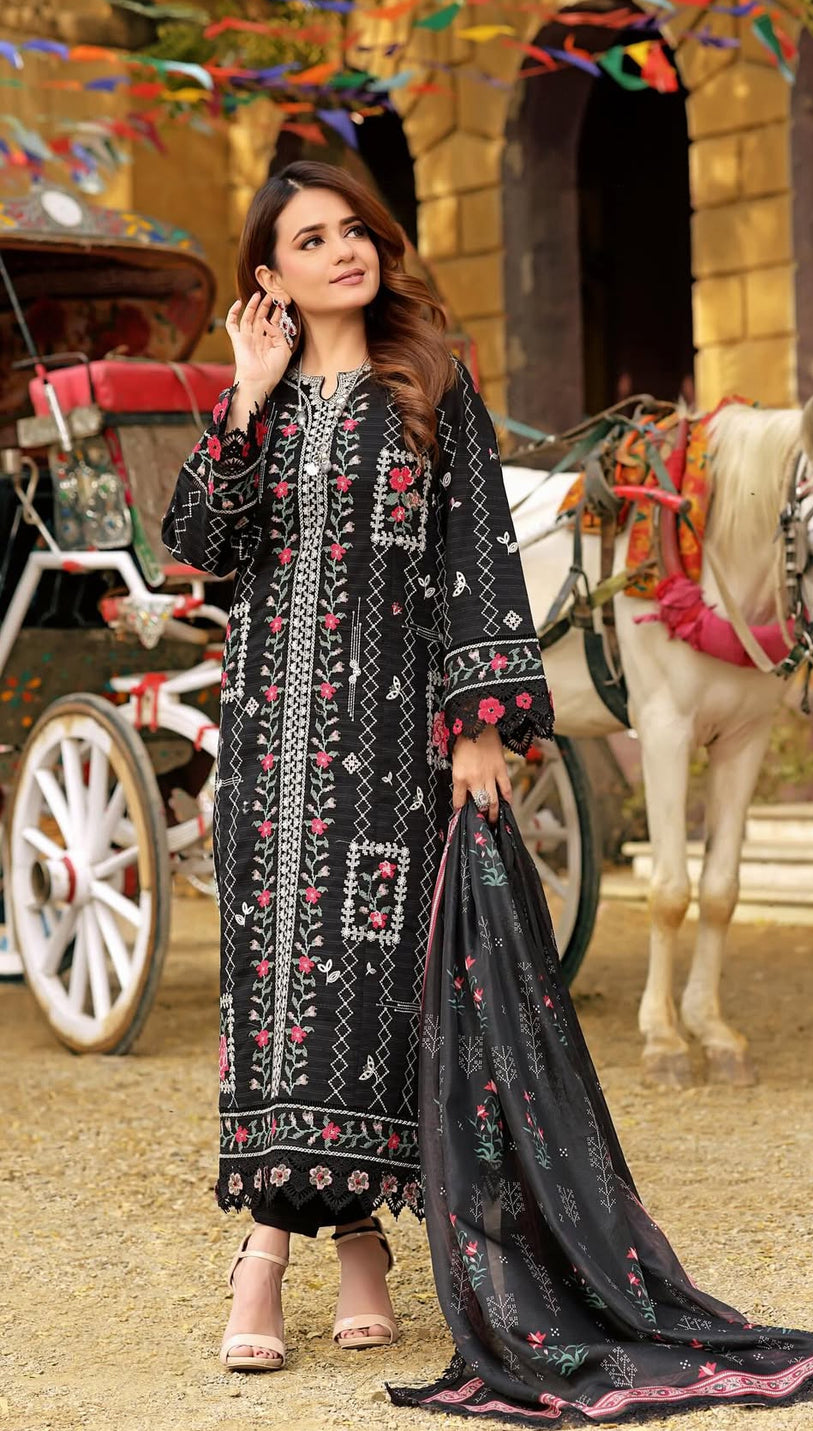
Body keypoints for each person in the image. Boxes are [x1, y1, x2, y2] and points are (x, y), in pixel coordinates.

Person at [162, 160, 554, 1372]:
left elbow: (478, 551)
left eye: (353, 231)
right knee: (272, 995)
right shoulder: (259, 405)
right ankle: (286, 1251)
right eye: (311, 240)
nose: (344, 252)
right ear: (269, 278)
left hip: (388, 747)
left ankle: (333, 1249)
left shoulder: (430, 383)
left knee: (369, 996)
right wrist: (245, 392)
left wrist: (478, 723)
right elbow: (198, 543)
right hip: (268, 743)